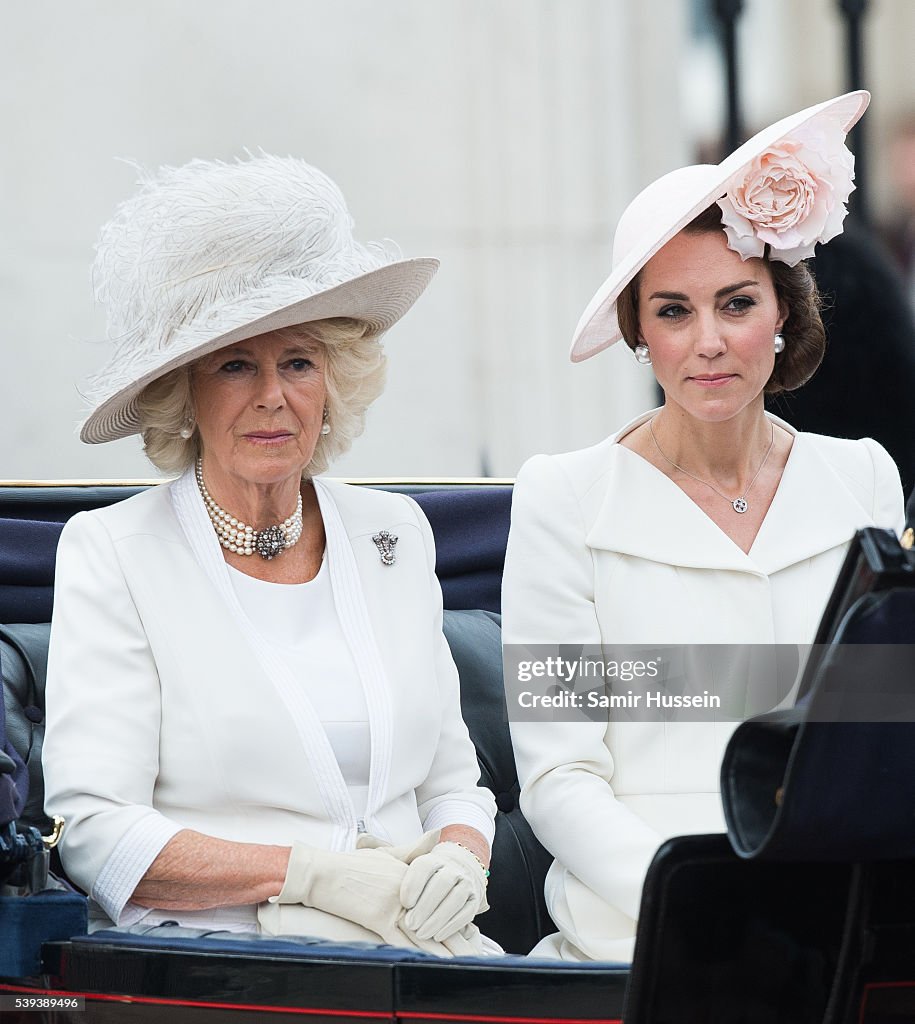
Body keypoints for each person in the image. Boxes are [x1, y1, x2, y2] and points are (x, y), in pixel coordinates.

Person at [41, 154, 496, 955]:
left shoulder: (393, 534)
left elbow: (452, 782)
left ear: (333, 382)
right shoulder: (113, 551)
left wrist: (460, 857)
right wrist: (311, 874)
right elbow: (94, 832)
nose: (271, 396)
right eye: (234, 364)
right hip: (225, 969)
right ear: (184, 393)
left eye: (297, 362)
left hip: (422, 954)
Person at [502, 91, 904, 962]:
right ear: (639, 334)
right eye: (673, 312)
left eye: (735, 303)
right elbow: (559, 778)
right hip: (639, 939)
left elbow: (879, 738)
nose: (708, 341)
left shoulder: (863, 474)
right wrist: (697, 905)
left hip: (840, 933)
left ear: (782, 312)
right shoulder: (563, 498)